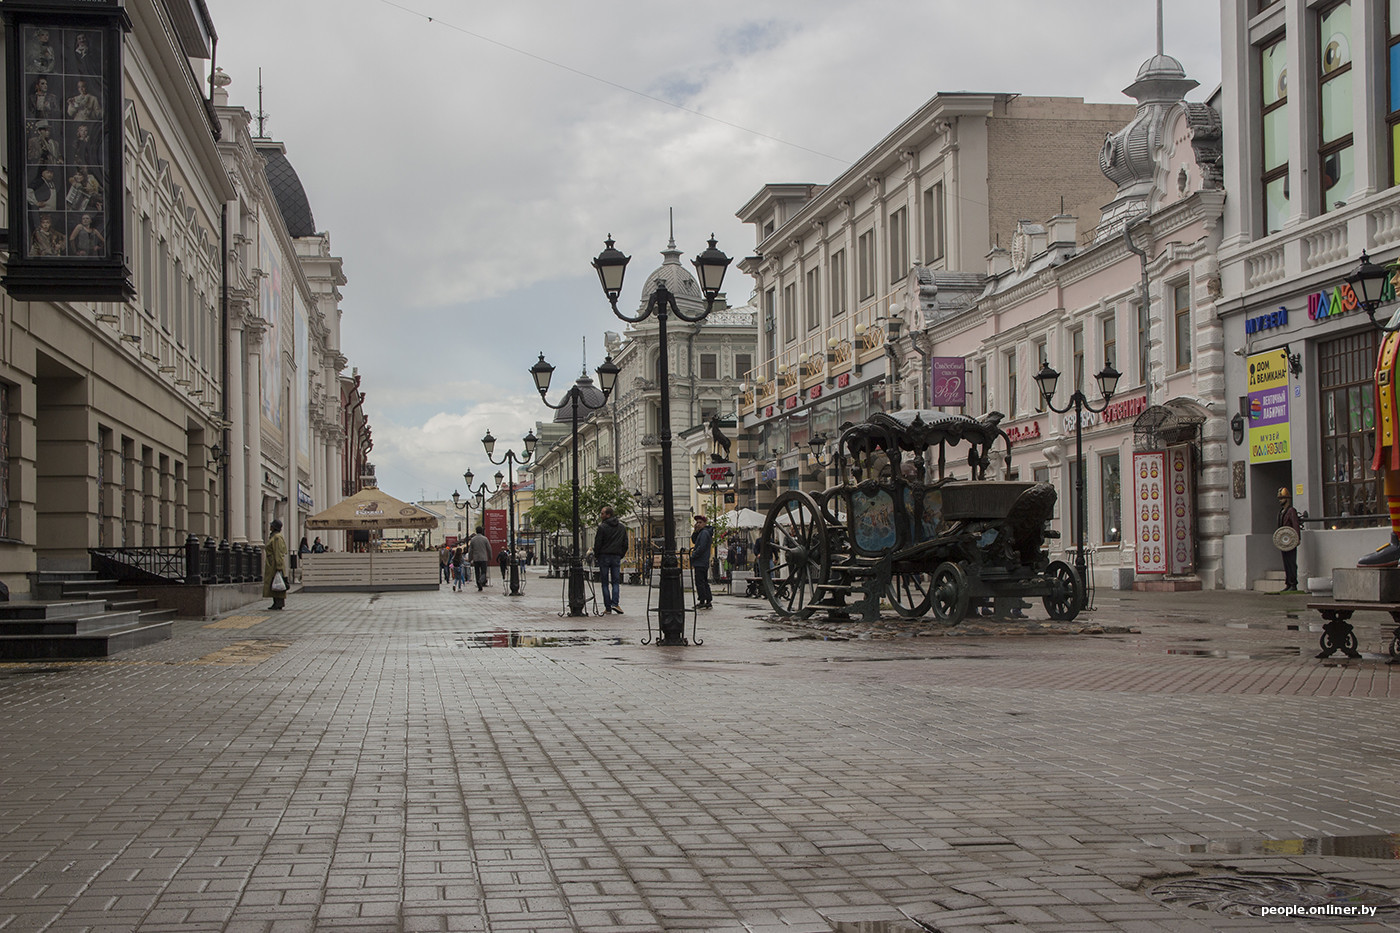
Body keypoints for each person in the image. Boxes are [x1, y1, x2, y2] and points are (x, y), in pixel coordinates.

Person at [593, 505, 628, 614]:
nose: (601, 515)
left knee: (604, 583)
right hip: (616, 557)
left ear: (608, 515)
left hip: (604, 556)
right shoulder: (621, 527)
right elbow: (625, 543)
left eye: (602, 513)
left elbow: (598, 544)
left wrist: (597, 555)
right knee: (616, 582)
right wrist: (620, 554)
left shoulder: (602, 527)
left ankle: (608, 608)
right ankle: (615, 604)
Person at [1277, 487, 1303, 593]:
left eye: (1282, 498)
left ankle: (1293, 583)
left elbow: (1295, 524)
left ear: (1287, 498)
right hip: (1283, 540)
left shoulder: (1291, 511)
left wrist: (1297, 537)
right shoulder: (1281, 512)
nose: (1280, 500)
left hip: (1290, 540)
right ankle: (1288, 582)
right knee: (1286, 562)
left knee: (1291, 562)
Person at [263, 518, 289, 611]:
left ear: (274, 527)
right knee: (275, 583)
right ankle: (276, 602)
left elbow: (278, 552)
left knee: (277, 582)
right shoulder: (275, 536)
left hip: (274, 564)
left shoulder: (277, 537)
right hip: (272, 563)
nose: (270, 526)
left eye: (271, 525)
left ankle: (278, 603)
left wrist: (278, 566)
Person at [691, 514, 714, 609]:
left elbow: (701, 547)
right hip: (701, 561)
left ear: (705, 523)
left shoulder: (704, 533)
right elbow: (694, 541)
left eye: (700, 522)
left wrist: (694, 555)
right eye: (697, 522)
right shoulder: (701, 532)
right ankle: (707, 600)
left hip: (701, 561)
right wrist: (695, 532)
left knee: (700, 581)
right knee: (703, 581)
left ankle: (703, 600)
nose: (698, 524)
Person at [467, 526, 492, 591]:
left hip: (476, 558)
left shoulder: (473, 539)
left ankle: (479, 585)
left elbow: (470, 550)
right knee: (483, 572)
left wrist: (470, 558)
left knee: (477, 572)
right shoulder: (485, 539)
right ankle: (481, 580)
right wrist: (490, 556)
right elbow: (489, 549)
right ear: (482, 531)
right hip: (483, 558)